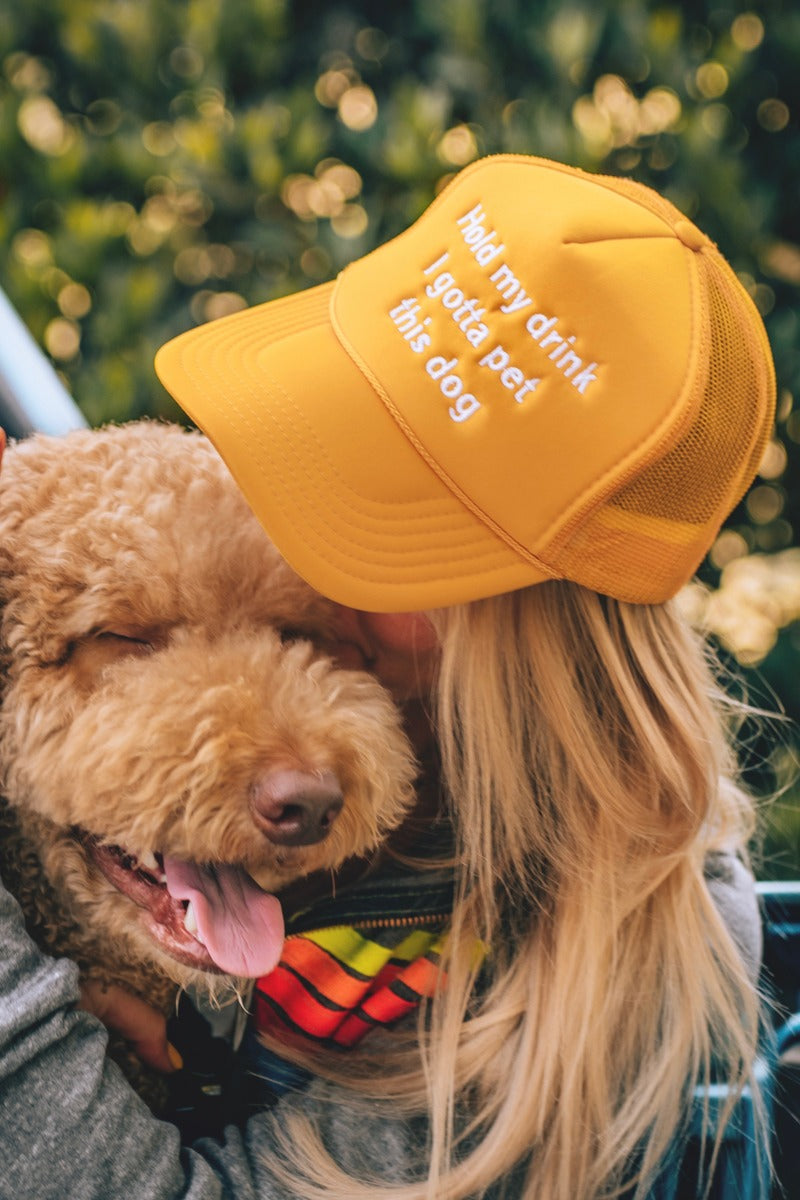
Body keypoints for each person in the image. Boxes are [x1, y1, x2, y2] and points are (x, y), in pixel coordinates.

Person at [0, 155, 775, 1199]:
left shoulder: (600, 966)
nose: (275, 521)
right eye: (304, 439)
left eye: (361, 509)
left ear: (506, 633)